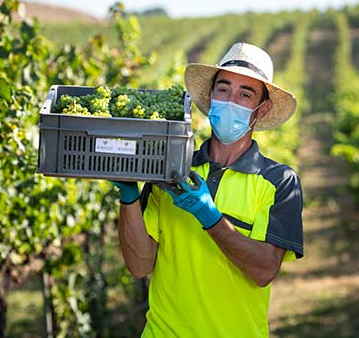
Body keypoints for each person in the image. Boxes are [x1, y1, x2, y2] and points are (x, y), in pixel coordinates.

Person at [114, 42, 304, 337]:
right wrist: (128, 196)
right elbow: (139, 265)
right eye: (224, 89)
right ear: (211, 96)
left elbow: (264, 270)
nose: (231, 100)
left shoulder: (278, 181)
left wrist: (211, 218)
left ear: (262, 109)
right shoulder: (170, 168)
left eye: (245, 94)